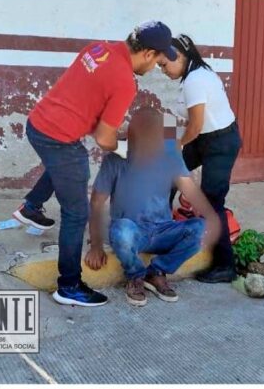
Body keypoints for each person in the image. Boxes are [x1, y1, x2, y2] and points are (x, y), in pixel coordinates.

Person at [11, 21, 178, 307]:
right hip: (60, 140)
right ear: (148, 53)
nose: (153, 69)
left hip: (38, 124)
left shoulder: (98, 48)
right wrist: (123, 147)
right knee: (76, 214)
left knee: (62, 169)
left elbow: (86, 93)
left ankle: (31, 207)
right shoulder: (126, 81)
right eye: (158, 62)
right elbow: (103, 139)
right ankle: (70, 286)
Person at [85, 108, 220, 306]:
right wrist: (96, 246)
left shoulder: (170, 158)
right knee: (121, 231)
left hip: (163, 230)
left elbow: (190, 191)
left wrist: (211, 218)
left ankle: (156, 272)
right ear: (131, 134)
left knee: (202, 228)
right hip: (132, 231)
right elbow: (96, 202)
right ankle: (136, 275)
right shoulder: (116, 160)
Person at [159, 34, 243, 283]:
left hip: (221, 142)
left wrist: (174, 145)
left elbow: (193, 126)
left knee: (211, 201)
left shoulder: (197, 79)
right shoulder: (189, 78)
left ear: (180, 57)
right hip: (205, 139)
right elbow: (174, 117)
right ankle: (161, 228)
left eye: (164, 65)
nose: (163, 70)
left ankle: (225, 266)